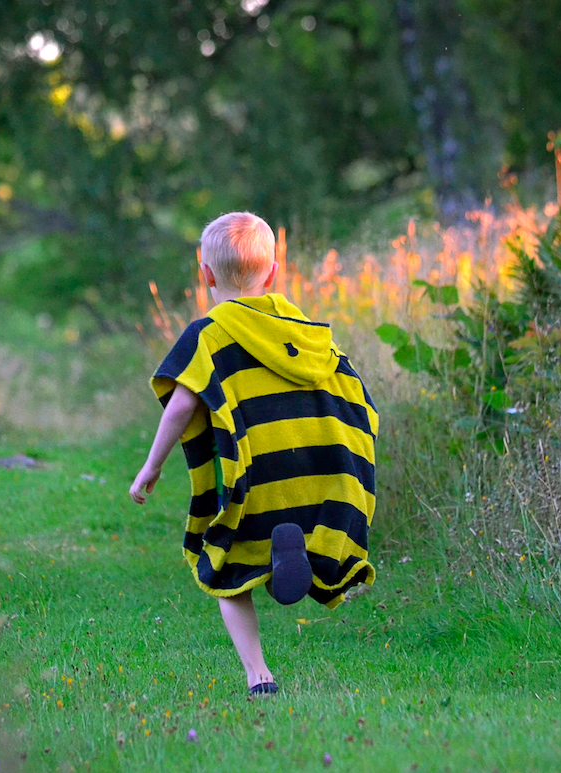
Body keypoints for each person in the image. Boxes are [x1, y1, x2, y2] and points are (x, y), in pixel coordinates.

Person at [129, 212, 377, 696]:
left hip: (252, 472)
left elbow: (182, 404)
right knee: (292, 526)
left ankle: (258, 673)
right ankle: (301, 552)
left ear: (205, 275)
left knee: (227, 566)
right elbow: (348, 389)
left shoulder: (208, 334)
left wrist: (151, 467)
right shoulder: (305, 330)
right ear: (274, 272)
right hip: (312, 468)